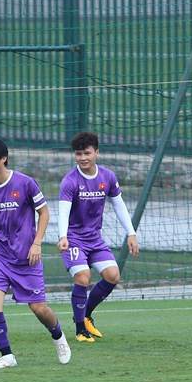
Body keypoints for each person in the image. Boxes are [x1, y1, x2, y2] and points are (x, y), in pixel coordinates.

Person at [0, 139, 71, 369]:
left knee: (39, 308)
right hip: (0, 255)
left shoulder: (25, 183)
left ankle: (58, 336)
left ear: (3, 158)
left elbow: (44, 213)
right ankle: (7, 355)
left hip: (27, 257)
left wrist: (37, 244)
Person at [57, 131, 139, 342]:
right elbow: (63, 210)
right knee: (83, 277)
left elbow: (119, 205)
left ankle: (86, 316)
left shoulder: (107, 177)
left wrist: (131, 233)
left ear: (96, 153)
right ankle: (79, 330)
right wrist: (63, 236)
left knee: (113, 275)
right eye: (78, 154)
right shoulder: (70, 181)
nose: (83, 158)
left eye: (87, 153)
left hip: (95, 239)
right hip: (74, 239)